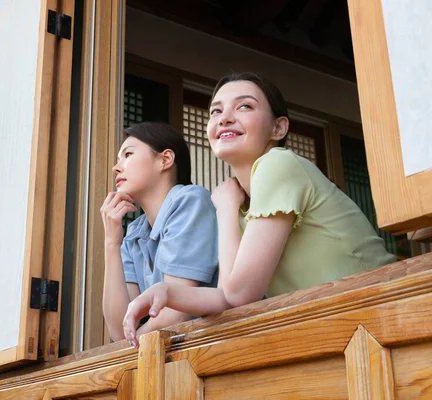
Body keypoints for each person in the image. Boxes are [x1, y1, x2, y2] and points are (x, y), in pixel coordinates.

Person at [122, 72, 396, 347]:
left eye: (244, 106)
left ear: (278, 128)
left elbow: (240, 293)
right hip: (345, 325)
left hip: (388, 304)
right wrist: (165, 291)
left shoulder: (278, 164)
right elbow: (225, 296)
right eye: (216, 111)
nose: (225, 118)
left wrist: (226, 208)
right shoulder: (246, 208)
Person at [101, 122, 219, 341]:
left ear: (165, 160)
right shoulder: (136, 231)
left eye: (128, 154)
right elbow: (119, 330)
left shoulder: (190, 200)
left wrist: (131, 344)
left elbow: (174, 315)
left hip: (223, 342)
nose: (116, 168)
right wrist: (111, 243)